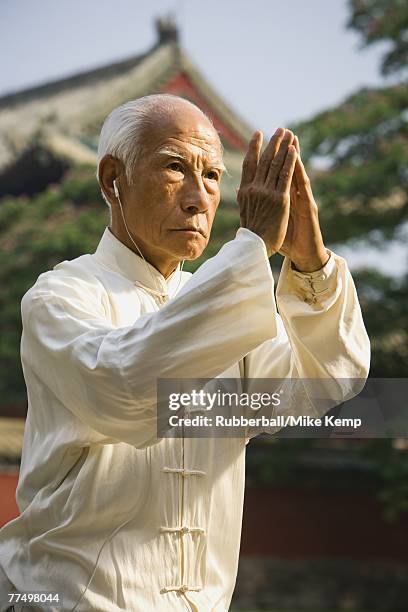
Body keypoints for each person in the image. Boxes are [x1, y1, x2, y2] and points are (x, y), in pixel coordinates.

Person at [0, 94, 370, 612]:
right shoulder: (61, 297)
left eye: (215, 177)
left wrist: (310, 265)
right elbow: (127, 388)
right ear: (113, 180)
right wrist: (250, 248)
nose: (200, 198)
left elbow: (327, 379)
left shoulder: (229, 304)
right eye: (176, 167)